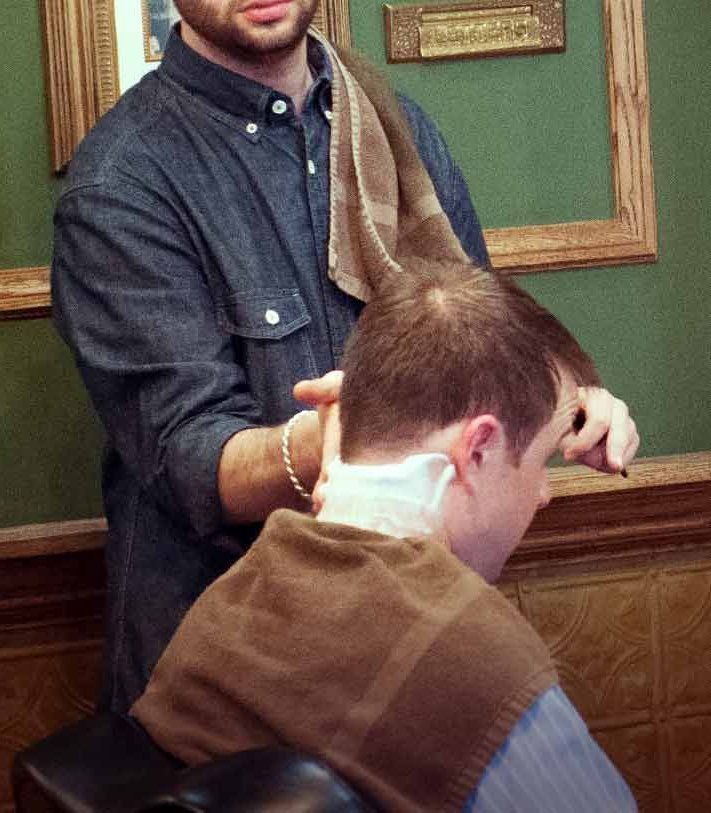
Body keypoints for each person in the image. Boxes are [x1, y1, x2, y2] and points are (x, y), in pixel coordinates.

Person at [51, 0, 638, 712]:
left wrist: (569, 402)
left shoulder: (394, 122)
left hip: (416, 643)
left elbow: (476, 346)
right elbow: (188, 461)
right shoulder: (119, 188)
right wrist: (329, 440)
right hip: (231, 679)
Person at [131, 262, 638, 812]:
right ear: (480, 448)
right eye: (542, 461)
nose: (543, 493)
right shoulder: (471, 658)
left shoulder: (226, 610)